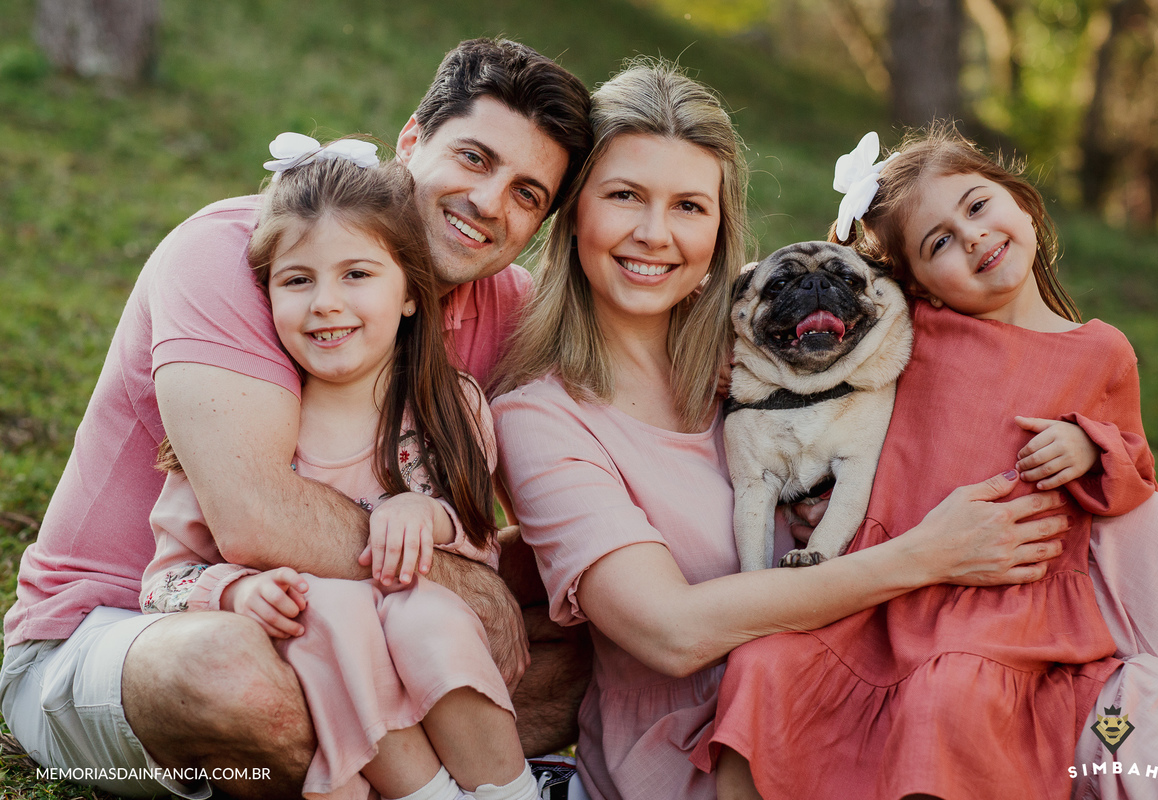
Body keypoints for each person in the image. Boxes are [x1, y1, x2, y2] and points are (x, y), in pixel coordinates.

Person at [0, 38, 592, 799]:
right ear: (412, 139)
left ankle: (453, 779)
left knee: (606, 607)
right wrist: (463, 586)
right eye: (475, 159)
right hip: (135, 628)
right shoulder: (243, 252)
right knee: (232, 671)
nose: (489, 203)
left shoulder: (505, 306)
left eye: (526, 194)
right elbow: (255, 520)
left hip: (378, 621)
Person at [490, 61, 1072, 800]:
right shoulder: (542, 416)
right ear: (575, 212)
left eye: (690, 206)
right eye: (625, 196)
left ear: (722, 231)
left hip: (863, 719)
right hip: (695, 771)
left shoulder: (769, 360)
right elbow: (670, 632)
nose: (654, 233)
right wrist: (925, 556)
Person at [698, 126, 1158, 800]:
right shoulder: (916, 330)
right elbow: (811, 334)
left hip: (1000, 603)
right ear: (910, 281)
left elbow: (1134, 468)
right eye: (938, 243)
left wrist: (1088, 446)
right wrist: (735, 357)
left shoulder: (1101, 351)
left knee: (950, 693)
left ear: (1021, 201)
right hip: (876, 587)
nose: (971, 238)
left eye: (976, 206)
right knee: (763, 665)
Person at [140, 137, 542, 800]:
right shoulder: (252, 430)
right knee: (330, 608)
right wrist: (235, 592)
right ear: (266, 294)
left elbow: (478, 567)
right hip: (313, 684)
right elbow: (163, 585)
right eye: (298, 280)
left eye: (357, 274)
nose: (326, 302)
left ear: (412, 292)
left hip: (431, 664)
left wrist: (429, 515)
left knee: (427, 614)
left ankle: (509, 789)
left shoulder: (448, 409)